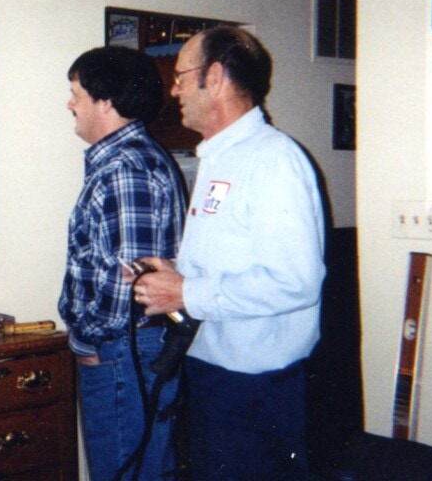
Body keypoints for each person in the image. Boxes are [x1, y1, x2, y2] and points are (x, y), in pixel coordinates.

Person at [131, 26, 326, 480]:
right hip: (214, 375)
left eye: (181, 75)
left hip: (256, 391)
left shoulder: (274, 161)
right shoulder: (220, 158)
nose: (174, 88)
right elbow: (236, 262)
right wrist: (176, 274)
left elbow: (294, 282)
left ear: (214, 77)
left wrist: (186, 294)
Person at [58, 46, 188, 480]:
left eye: (76, 92)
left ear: (106, 101)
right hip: (126, 353)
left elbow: (129, 284)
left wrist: (91, 342)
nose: (70, 103)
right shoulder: (123, 160)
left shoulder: (125, 168)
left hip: (121, 354)